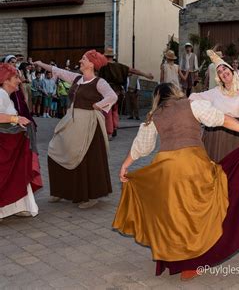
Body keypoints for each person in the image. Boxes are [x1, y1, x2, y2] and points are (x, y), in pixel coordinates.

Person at [112, 83, 239, 280]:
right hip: (193, 165)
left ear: (158, 98)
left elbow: (142, 147)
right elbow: (220, 119)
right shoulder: (192, 105)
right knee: (200, 214)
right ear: (175, 92)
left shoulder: (154, 116)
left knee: (175, 216)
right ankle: (193, 264)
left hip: (166, 169)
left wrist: (125, 165)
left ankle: (176, 259)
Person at [34, 50, 117, 209]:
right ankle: (60, 190)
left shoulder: (99, 82)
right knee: (56, 150)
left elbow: (112, 96)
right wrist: (41, 64)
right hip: (72, 121)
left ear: (92, 64)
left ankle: (90, 196)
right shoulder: (77, 78)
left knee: (86, 159)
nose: (80, 60)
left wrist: (98, 105)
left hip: (89, 123)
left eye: (84, 59)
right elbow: (59, 71)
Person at [189, 50, 239, 162]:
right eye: (219, 72)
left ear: (231, 70)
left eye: (224, 68)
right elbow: (192, 98)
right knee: (211, 174)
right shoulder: (214, 92)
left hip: (233, 137)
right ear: (219, 78)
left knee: (231, 175)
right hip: (212, 137)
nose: (223, 72)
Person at [0, 63, 42, 220]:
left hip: (11, 145)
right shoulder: (1, 94)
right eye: (16, 77)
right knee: (5, 175)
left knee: (16, 174)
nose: (20, 80)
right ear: (6, 79)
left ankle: (17, 207)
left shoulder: (7, 97)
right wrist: (16, 118)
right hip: (4, 145)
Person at [99, 47, 153, 140]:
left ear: (105, 56)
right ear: (112, 56)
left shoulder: (103, 67)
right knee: (115, 110)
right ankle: (115, 127)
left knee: (107, 111)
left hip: (107, 91)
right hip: (117, 92)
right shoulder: (120, 66)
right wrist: (146, 75)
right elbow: (134, 71)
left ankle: (109, 133)